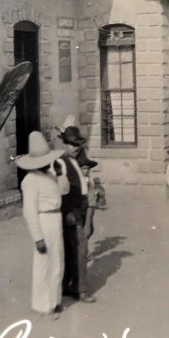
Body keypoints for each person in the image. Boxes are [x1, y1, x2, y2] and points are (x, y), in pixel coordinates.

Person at [16, 131, 66, 319]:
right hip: (43, 221)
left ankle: (55, 301)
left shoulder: (52, 174)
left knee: (57, 261)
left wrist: (61, 176)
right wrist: (37, 237)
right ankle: (42, 305)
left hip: (56, 219)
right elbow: (29, 211)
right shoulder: (31, 181)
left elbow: (64, 191)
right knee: (43, 263)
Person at [55, 125, 96, 303]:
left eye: (77, 144)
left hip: (78, 211)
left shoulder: (74, 161)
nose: (75, 147)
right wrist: (67, 212)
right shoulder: (61, 163)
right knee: (79, 250)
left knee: (74, 250)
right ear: (64, 143)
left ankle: (70, 286)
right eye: (71, 144)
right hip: (70, 212)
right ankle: (80, 290)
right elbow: (59, 191)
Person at [76, 149, 99, 242]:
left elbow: (92, 200)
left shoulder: (89, 181)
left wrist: (88, 223)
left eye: (88, 169)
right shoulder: (75, 180)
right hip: (76, 210)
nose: (86, 171)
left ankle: (83, 247)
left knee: (89, 229)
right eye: (84, 168)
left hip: (86, 209)